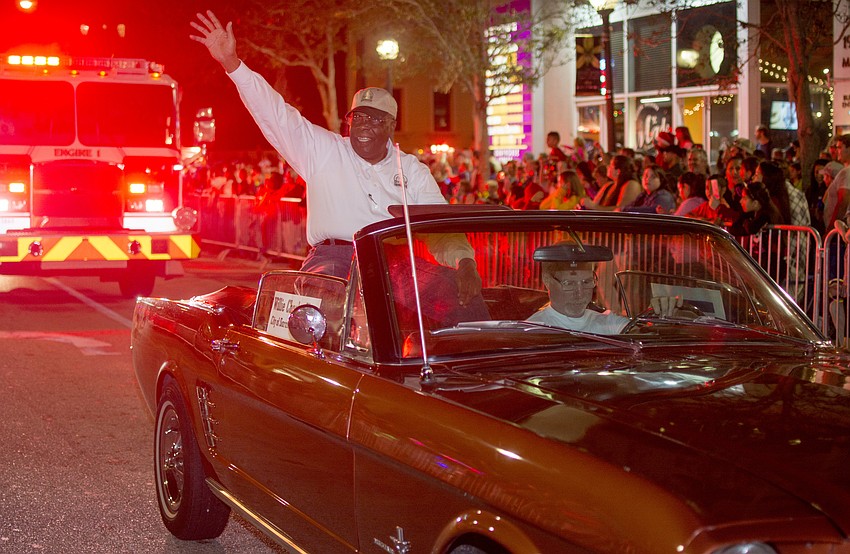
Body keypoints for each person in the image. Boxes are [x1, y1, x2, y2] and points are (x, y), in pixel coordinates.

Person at [190, 10, 482, 305]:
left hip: (393, 262)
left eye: (376, 119)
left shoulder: (412, 169)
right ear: (349, 122)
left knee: (457, 296)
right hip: (333, 259)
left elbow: (440, 228)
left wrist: (465, 263)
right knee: (320, 310)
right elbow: (275, 114)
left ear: (392, 126)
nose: (365, 124)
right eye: (359, 117)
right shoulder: (323, 150)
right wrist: (232, 64)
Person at [527, 258, 683, 334]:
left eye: (587, 282)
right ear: (547, 281)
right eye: (569, 283)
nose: (580, 293)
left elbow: (645, 337)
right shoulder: (531, 329)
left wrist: (664, 320)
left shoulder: (608, 321)